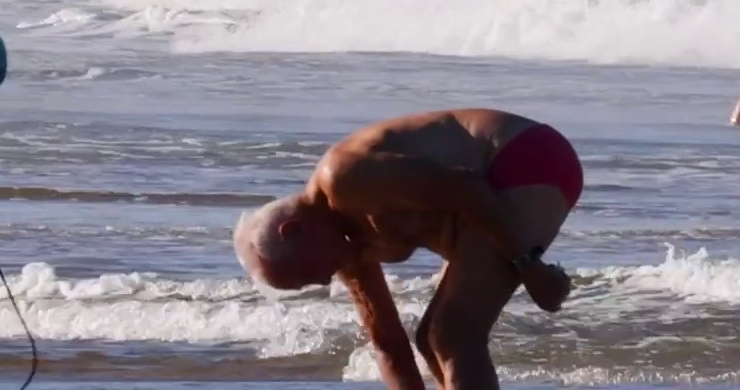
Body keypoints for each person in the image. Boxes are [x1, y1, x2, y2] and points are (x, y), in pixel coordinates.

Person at [234, 109, 579, 390]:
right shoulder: (346, 247)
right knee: (429, 339)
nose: (324, 280)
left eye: (305, 273)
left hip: (524, 156)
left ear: (293, 229)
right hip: (488, 196)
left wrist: (531, 268)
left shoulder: (345, 178)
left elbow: (464, 186)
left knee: (453, 333)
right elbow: (389, 346)